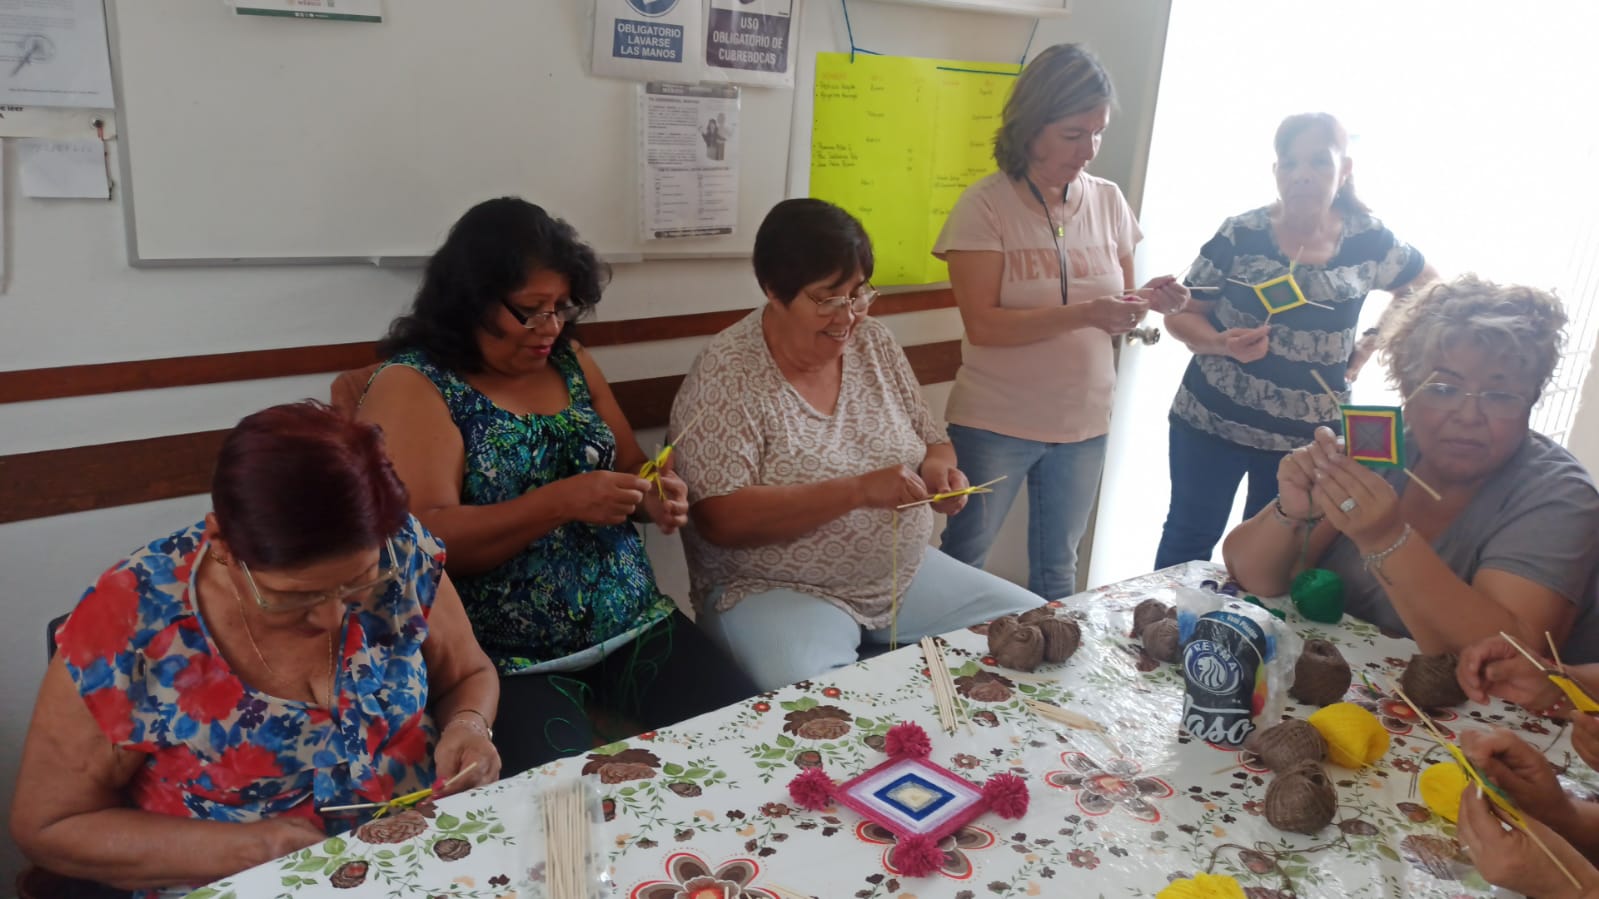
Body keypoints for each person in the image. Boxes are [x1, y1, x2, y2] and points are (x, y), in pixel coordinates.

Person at [9, 402, 500, 898]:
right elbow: (48, 826)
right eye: (295, 597)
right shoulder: (130, 623)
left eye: (358, 584)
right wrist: (248, 849)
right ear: (221, 543)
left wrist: (470, 725)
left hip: (429, 859)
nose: (332, 619)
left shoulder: (400, 549)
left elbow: (467, 674)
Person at [358, 197, 756, 774]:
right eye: (529, 311)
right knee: (563, 800)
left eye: (561, 308)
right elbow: (426, 543)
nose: (550, 328)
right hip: (508, 660)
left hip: (635, 622)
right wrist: (560, 502)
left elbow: (631, 463)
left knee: (749, 740)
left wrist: (652, 495)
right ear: (470, 300)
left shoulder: (570, 361)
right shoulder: (415, 385)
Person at [672, 198, 1045, 691]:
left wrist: (939, 472)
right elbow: (720, 519)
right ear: (773, 290)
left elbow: (934, 443)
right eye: (827, 299)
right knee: (813, 698)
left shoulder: (873, 342)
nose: (847, 316)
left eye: (858, 293)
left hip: (901, 575)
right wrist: (857, 491)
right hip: (774, 588)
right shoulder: (728, 371)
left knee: (1035, 630)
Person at [1223, 276, 1599, 655]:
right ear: (1407, 390)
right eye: (1443, 389)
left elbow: (1509, 657)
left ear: (1532, 400)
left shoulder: (1560, 497)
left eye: (1499, 396)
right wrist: (1293, 513)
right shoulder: (1385, 448)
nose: (1469, 416)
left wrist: (1387, 540)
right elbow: (1253, 576)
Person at [932, 43, 1188, 599]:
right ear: (1031, 127)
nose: (1088, 150)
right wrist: (1088, 313)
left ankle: (1052, 657)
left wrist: (1150, 300)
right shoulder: (984, 206)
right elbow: (984, 326)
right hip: (996, 422)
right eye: (1073, 134)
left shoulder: (1109, 200)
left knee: (1058, 572)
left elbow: (1121, 308)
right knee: (964, 561)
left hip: (1084, 422)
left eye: (1098, 133)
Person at [1155, 112, 1440, 569]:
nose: (1302, 174)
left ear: (1344, 170)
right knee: (1189, 537)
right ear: (1275, 171)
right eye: (1289, 163)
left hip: (1306, 442)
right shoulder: (1241, 233)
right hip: (1211, 422)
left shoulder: (1370, 240)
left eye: (1319, 162)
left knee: (1271, 560)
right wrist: (1222, 343)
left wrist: (1369, 344)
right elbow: (1183, 314)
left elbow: (1426, 286)